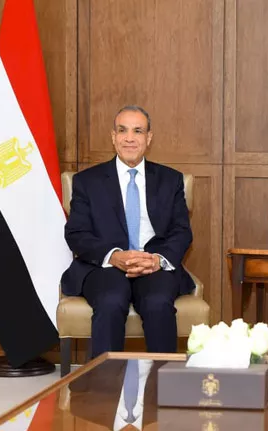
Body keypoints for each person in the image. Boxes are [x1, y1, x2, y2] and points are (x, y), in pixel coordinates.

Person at [61, 105, 194, 358]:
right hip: (104, 266)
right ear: (113, 137)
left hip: (152, 263)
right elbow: (76, 233)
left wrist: (157, 260)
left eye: (138, 131)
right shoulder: (87, 181)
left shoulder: (170, 180)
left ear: (149, 138)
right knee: (110, 300)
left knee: (157, 302)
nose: (129, 138)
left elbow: (181, 231)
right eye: (122, 131)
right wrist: (113, 256)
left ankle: (161, 378)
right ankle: (105, 380)